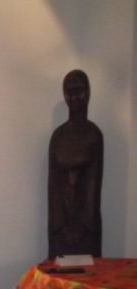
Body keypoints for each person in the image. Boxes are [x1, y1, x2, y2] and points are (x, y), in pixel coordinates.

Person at [48, 69, 103, 259]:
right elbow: (53, 187)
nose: (73, 97)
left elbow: (93, 186)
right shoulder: (58, 136)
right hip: (61, 225)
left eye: (78, 91)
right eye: (68, 92)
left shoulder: (93, 135)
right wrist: (61, 226)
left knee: (88, 272)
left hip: (86, 226)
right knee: (58, 272)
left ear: (88, 93)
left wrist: (83, 226)